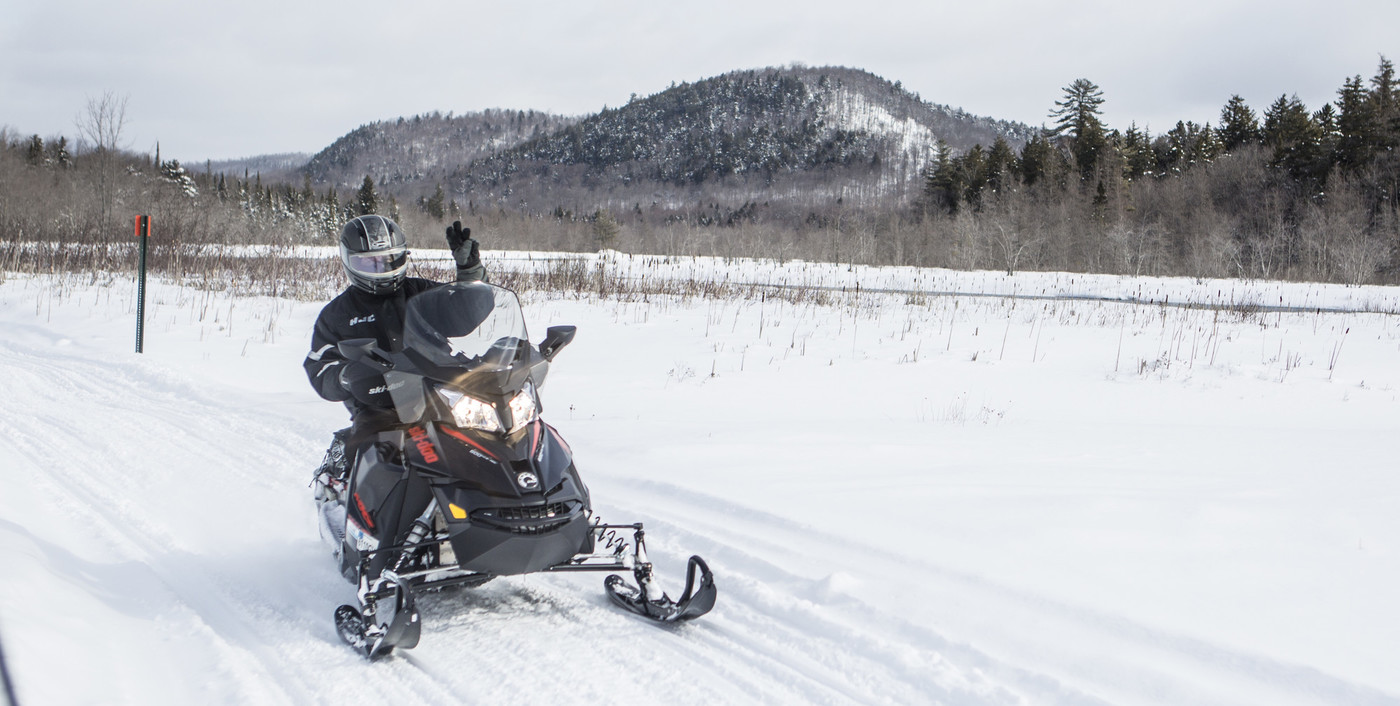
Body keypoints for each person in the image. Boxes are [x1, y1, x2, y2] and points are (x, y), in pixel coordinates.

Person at [304, 215, 485, 496]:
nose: (381, 268)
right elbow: (319, 366)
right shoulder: (337, 314)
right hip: (379, 406)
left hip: (439, 395)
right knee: (373, 458)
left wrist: (470, 272)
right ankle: (361, 524)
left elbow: (466, 315)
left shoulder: (422, 293)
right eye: (369, 262)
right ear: (349, 261)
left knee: (486, 442)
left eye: (389, 259)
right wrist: (346, 375)